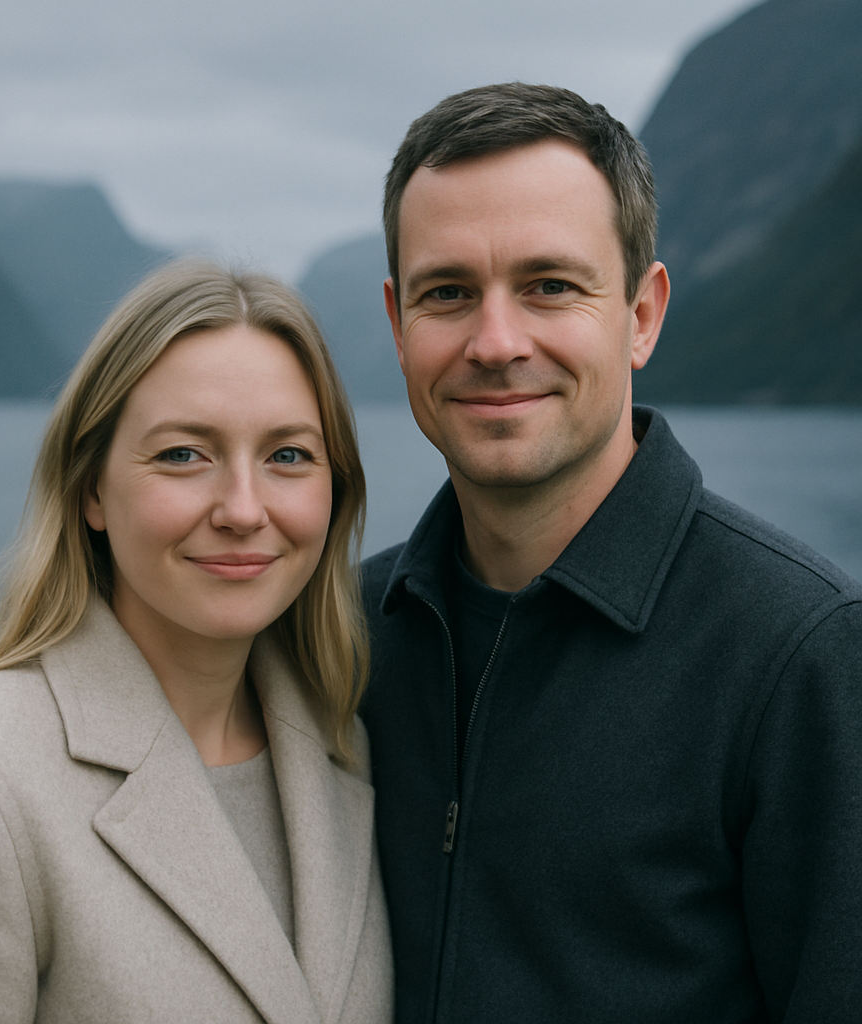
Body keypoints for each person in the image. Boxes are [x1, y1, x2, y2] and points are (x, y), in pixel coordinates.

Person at [360, 82, 862, 1022]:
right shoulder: (348, 633)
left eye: (550, 285)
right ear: (396, 324)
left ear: (641, 315)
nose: (496, 342)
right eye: (448, 293)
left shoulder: (804, 655)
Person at [0, 261, 393, 1023]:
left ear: (336, 489)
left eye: (288, 456)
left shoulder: (348, 748)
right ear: (91, 488)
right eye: (182, 454)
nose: (242, 507)